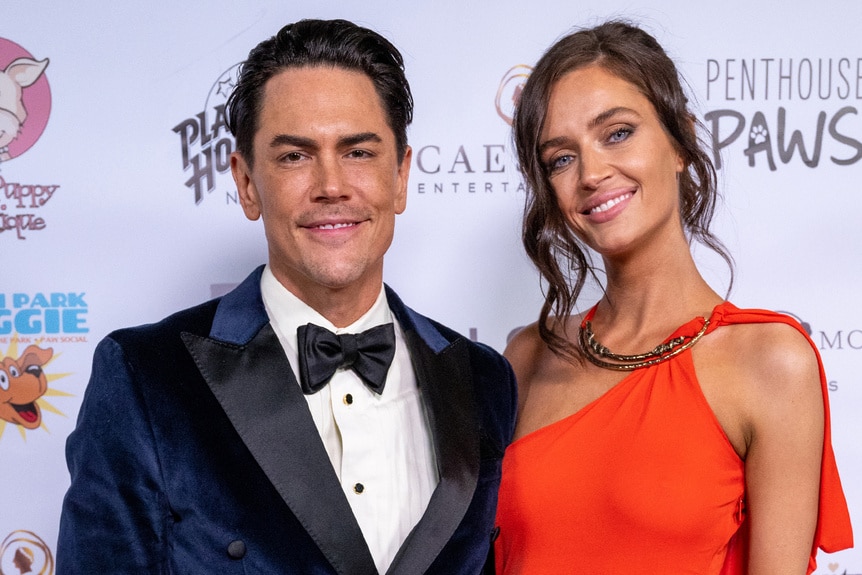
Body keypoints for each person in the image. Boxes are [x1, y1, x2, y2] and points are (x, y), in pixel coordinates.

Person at [57, 19, 517, 575]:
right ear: (247, 183)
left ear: (400, 176)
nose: (331, 185)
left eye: (359, 153)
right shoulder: (146, 377)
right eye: (295, 156)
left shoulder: (483, 378)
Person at [493, 20, 852, 574]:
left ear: (680, 141)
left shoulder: (770, 362)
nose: (591, 173)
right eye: (561, 158)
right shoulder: (527, 356)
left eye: (617, 133)